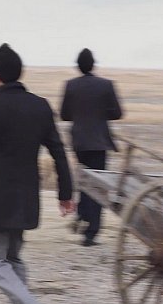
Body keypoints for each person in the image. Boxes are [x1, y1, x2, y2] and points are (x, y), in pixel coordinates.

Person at [0, 44, 75, 304]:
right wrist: (65, 193)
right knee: (13, 258)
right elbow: (59, 152)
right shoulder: (40, 106)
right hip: (27, 193)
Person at [60, 48, 123, 246]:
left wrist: (81, 115)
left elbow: (64, 115)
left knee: (83, 181)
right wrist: (100, 114)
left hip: (79, 141)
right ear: (93, 65)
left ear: (78, 66)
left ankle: (82, 215)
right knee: (97, 185)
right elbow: (117, 113)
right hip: (99, 141)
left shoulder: (71, 85)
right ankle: (91, 232)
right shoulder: (106, 85)